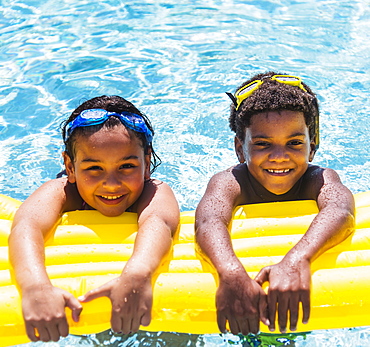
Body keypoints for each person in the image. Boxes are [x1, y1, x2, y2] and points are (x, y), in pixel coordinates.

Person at [8, 95, 179, 342]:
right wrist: (36, 287)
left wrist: (136, 275)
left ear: (147, 163)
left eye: (127, 166)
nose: (111, 184)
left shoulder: (155, 191)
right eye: (94, 168)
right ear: (70, 166)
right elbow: (27, 225)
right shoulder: (63, 192)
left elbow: (159, 223)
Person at [195, 72, 355, 336]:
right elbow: (208, 220)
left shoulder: (317, 179)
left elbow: (340, 209)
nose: (279, 157)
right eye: (262, 143)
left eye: (294, 143)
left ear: (312, 147)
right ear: (240, 148)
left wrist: (297, 260)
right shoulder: (231, 181)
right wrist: (230, 272)